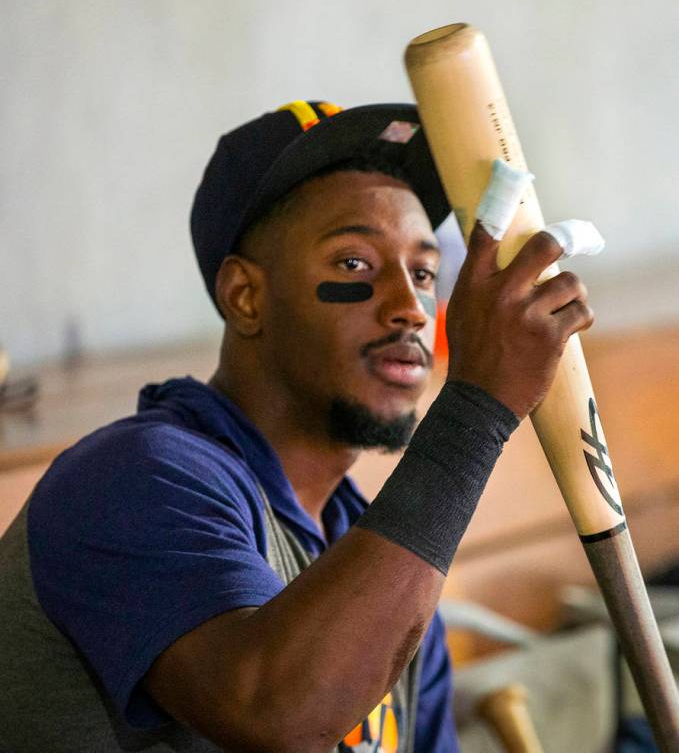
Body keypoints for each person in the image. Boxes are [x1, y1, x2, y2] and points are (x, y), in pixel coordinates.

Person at [0, 100, 593, 752]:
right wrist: (477, 407)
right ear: (245, 297)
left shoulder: (384, 568)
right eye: (353, 265)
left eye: (423, 273)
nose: (411, 311)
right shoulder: (134, 478)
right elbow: (275, 713)